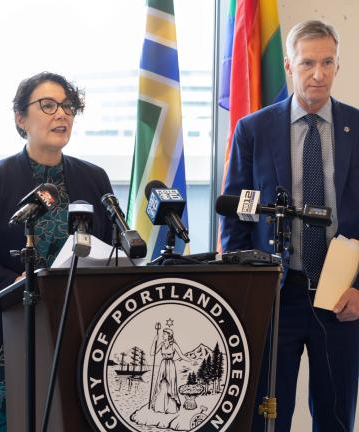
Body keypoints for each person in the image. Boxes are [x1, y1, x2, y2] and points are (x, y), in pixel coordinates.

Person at [0, 72, 115, 430]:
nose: (62, 114)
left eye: (68, 107)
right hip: (2, 335)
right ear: (21, 118)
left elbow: (111, 247)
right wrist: (18, 284)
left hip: (73, 333)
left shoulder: (95, 178)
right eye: (48, 105)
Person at [221, 20, 359, 432]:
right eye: (308, 63)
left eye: (328, 63)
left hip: (342, 299)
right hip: (277, 295)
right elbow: (236, 218)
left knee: (335, 417)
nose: (318, 74)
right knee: (268, 417)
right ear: (288, 65)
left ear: (337, 65)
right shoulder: (254, 130)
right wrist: (248, 292)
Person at [149, 327, 190, 414]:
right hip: (163, 365)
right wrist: (154, 340)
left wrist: (191, 361)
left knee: (170, 386)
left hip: (170, 366)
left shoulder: (174, 345)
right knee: (161, 384)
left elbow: (182, 356)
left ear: (169, 335)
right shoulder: (161, 344)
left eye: (164, 334)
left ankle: (171, 408)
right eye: (163, 334)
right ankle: (160, 407)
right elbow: (152, 353)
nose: (163, 335)